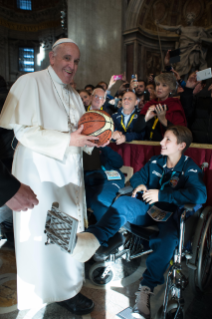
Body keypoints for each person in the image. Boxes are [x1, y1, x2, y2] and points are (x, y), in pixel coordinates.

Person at [0, 38, 99, 314]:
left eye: (76, 61)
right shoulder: (29, 82)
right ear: (52, 58)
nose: (71, 65)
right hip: (39, 177)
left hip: (67, 179)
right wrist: (69, 141)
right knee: (39, 237)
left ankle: (67, 291)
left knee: (66, 232)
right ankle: (37, 294)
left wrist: (93, 141)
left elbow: (79, 135)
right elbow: (24, 132)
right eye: (67, 58)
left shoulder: (73, 94)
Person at [71, 125, 207, 319]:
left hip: (171, 215)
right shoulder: (155, 162)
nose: (161, 142)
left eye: (167, 140)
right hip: (149, 210)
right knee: (124, 201)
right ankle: (93, 238)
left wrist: (163, 194)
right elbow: (136, 178)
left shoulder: (190, 167)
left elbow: (200, 195)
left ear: (181, 145)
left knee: (167, 238)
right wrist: (139, 184)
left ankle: (145, 290)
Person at [134, 73, 187, 141]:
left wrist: (163, 120)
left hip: (166, 147)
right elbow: (137, 129)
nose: (159, 88)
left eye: (164, 85)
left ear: (171, 89)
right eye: (158, 84)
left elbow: (180, 133)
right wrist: (146, 118)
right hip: (147, 146)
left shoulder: (175, 105)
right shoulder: (150, 104)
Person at [84, 146, 125, 222]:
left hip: (112, 181)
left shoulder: (104, 152)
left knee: (103, 199)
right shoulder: (81, 152)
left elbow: (119, 163)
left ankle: (105, 229)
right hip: (91, 183)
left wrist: (103, 146)